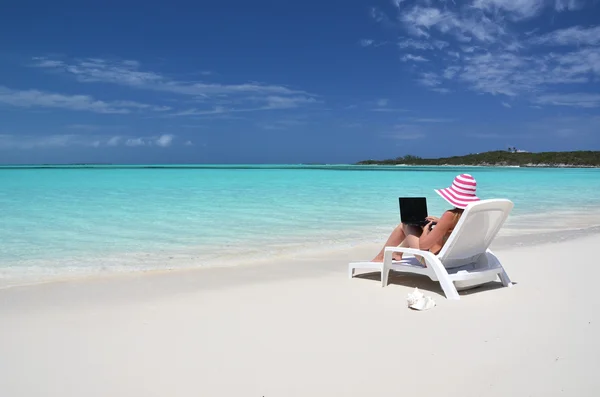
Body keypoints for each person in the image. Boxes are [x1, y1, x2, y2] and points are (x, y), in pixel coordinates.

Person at [370, 174, 481, 265]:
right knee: (413, 225)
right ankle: (397, 253)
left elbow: (424, 246)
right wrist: (441, 224)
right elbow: (456, 232)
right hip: (460, 260)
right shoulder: (473, 215)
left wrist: (426, 229)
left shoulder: (450, 215)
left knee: (406, 225)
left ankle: (381, 257)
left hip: (433, 261)